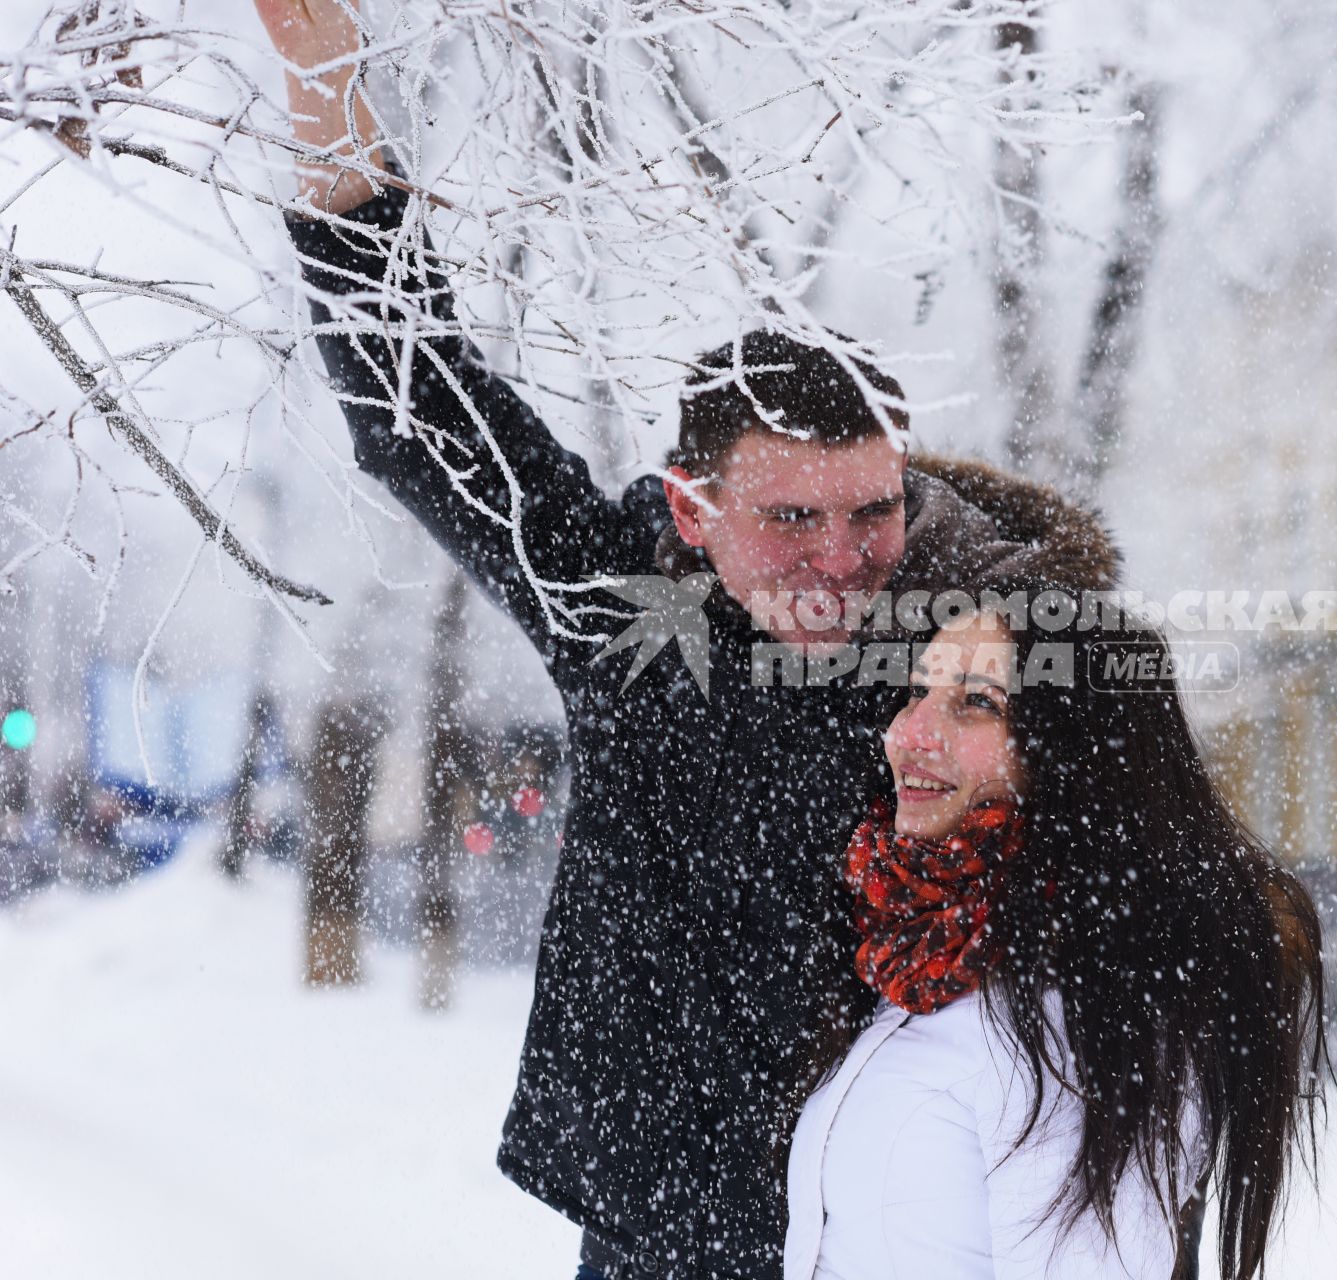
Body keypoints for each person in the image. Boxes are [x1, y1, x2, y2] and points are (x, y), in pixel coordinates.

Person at [253, 4, 1121, 1275]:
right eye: (792, 520)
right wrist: (316, 66)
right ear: (690, 515)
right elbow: (417, 400)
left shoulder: (989, 646)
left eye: (874, 510)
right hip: (656, 1217)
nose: (841, 558)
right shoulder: (634, 614)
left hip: (893, 1213)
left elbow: (1147, 886)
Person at [785, 598, 1327, 1280]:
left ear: (1072, 749)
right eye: (918, 690)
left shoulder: (1087, 1013)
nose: (910, 733)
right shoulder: (920, 947)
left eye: (976, 702)